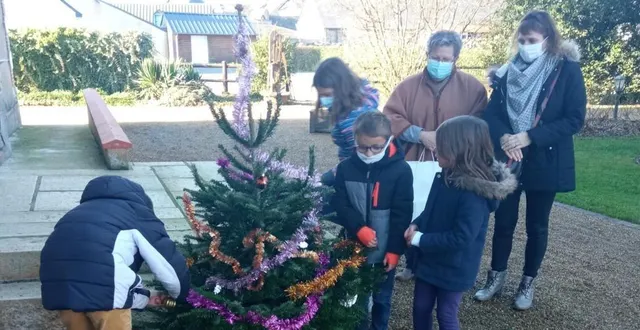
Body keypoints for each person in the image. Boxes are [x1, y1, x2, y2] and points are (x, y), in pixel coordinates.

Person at [475, 10, 587, 310]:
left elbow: (574, 119)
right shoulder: (507, 72)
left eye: (532, 39)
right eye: (522, 39)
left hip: (544, 157)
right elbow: (492, 114)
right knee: (504, 221)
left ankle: (527, 283)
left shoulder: (566, 70)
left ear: (547, 39)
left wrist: (529, 136)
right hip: (508, 158)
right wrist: (504, 137)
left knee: (537, 225)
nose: (526, 44)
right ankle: (495, 277)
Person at [383, 30, 488, 281]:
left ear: (455, 59)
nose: (439, 63)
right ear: (427, 55)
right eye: (435, 57)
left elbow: (480, 124)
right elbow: (390, 117)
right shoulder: (407, 87)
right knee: (413, 210)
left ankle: (432, 263)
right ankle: (410, 262)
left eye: (445, 58)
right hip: (414, 159)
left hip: (455, 164)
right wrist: (420, 134)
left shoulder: (473, 88)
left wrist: (452, 142)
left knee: (442, 213)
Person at [405, 116, 518, 330]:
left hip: (455, 266)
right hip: (430, 259)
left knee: (446, 314)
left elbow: (462, 237)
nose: (435, 150)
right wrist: (417, 224)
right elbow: (430, 211)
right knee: (420, 307)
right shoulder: (446, 175)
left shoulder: (472, 194)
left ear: (460, 150)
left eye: (441, 147)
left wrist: (420, 239)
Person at [40, 176, 190, 330]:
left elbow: (89, 271)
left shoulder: (74, 214)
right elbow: (166, 263)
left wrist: (145, 298)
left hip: (59, 287)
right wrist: (185, 296)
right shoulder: (137, 213)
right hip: (105, 290)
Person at [332, 111, 413, 330]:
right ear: (355, 140)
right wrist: (358, 228)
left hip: (384, 252)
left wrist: (395, 251)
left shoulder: (401, 170)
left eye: (376, 147)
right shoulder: (346, 168)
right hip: (354, 249)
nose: (369, 152)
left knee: (382, 299)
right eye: (363, 146)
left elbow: (402, 213)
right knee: (356, 300)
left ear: (388, 140)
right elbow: (341, 204)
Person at [313, 57, 380, 188]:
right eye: (320, 95)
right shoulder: (357, 103)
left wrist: (332, 175)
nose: (323, 100)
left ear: (341, 89)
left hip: (360, 179)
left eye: (327, 95)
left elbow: (361, 158)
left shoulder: (354, 118)